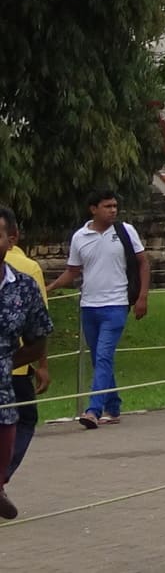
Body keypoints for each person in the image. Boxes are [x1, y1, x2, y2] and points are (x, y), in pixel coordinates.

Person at [53, 188, 149, 427]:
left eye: (115, 206)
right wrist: (49, 287)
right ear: (93, 209)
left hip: (116, 304)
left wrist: (142, 297)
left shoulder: (125, 231)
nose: (113, 210)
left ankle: (93, 410)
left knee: (104, 355)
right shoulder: (80, 237)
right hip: (89, 305)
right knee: (99, 359)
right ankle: (113, 406)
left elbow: (142, 262)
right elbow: (73, 271)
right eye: (107, 206)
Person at [0, 210, 52, 523]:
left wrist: (6, 363)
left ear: (11, 239)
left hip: (3, 393)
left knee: (13, 432)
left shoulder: (24, 286)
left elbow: (38, 339)